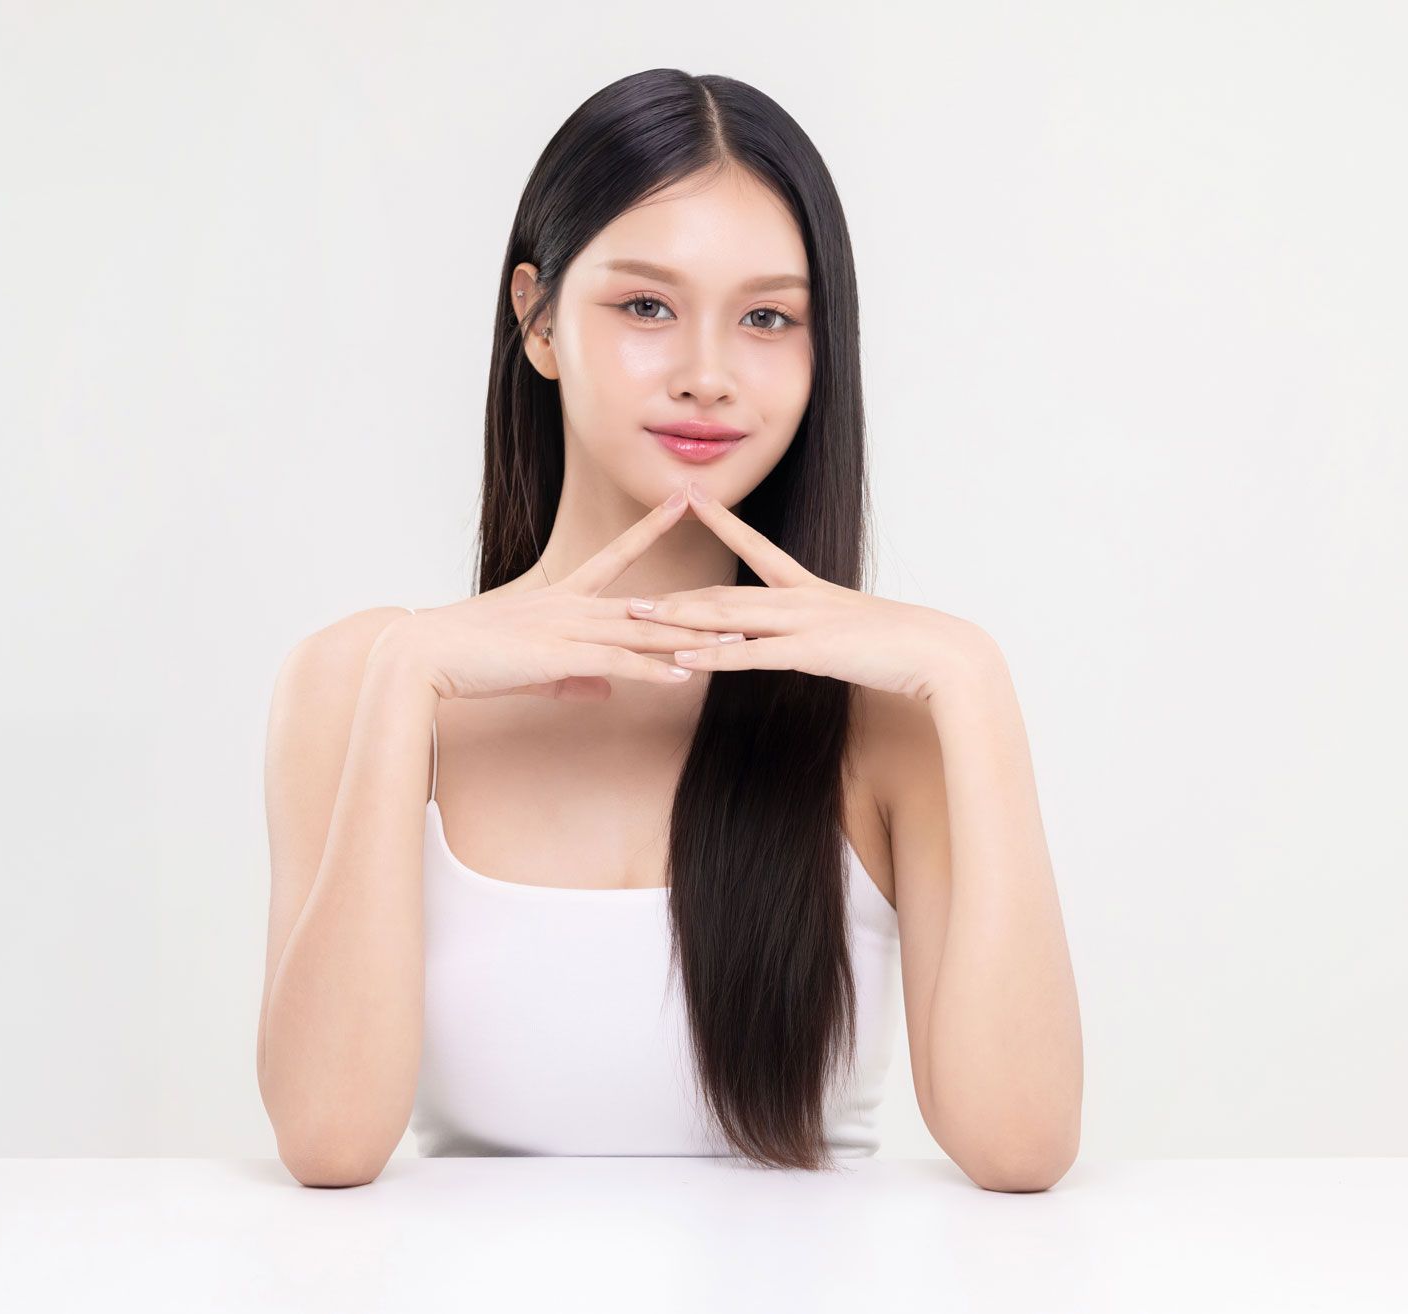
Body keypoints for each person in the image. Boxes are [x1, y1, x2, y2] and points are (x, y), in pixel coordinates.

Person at [258, 68, 1082, 1191]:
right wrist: (409, 678)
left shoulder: (899, 710)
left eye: (767, 318)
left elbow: (1022, 1150)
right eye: (646, 306)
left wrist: (974, 680)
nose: (707, 376)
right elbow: (326, 1141)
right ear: (538, 322)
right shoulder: (357, 680)